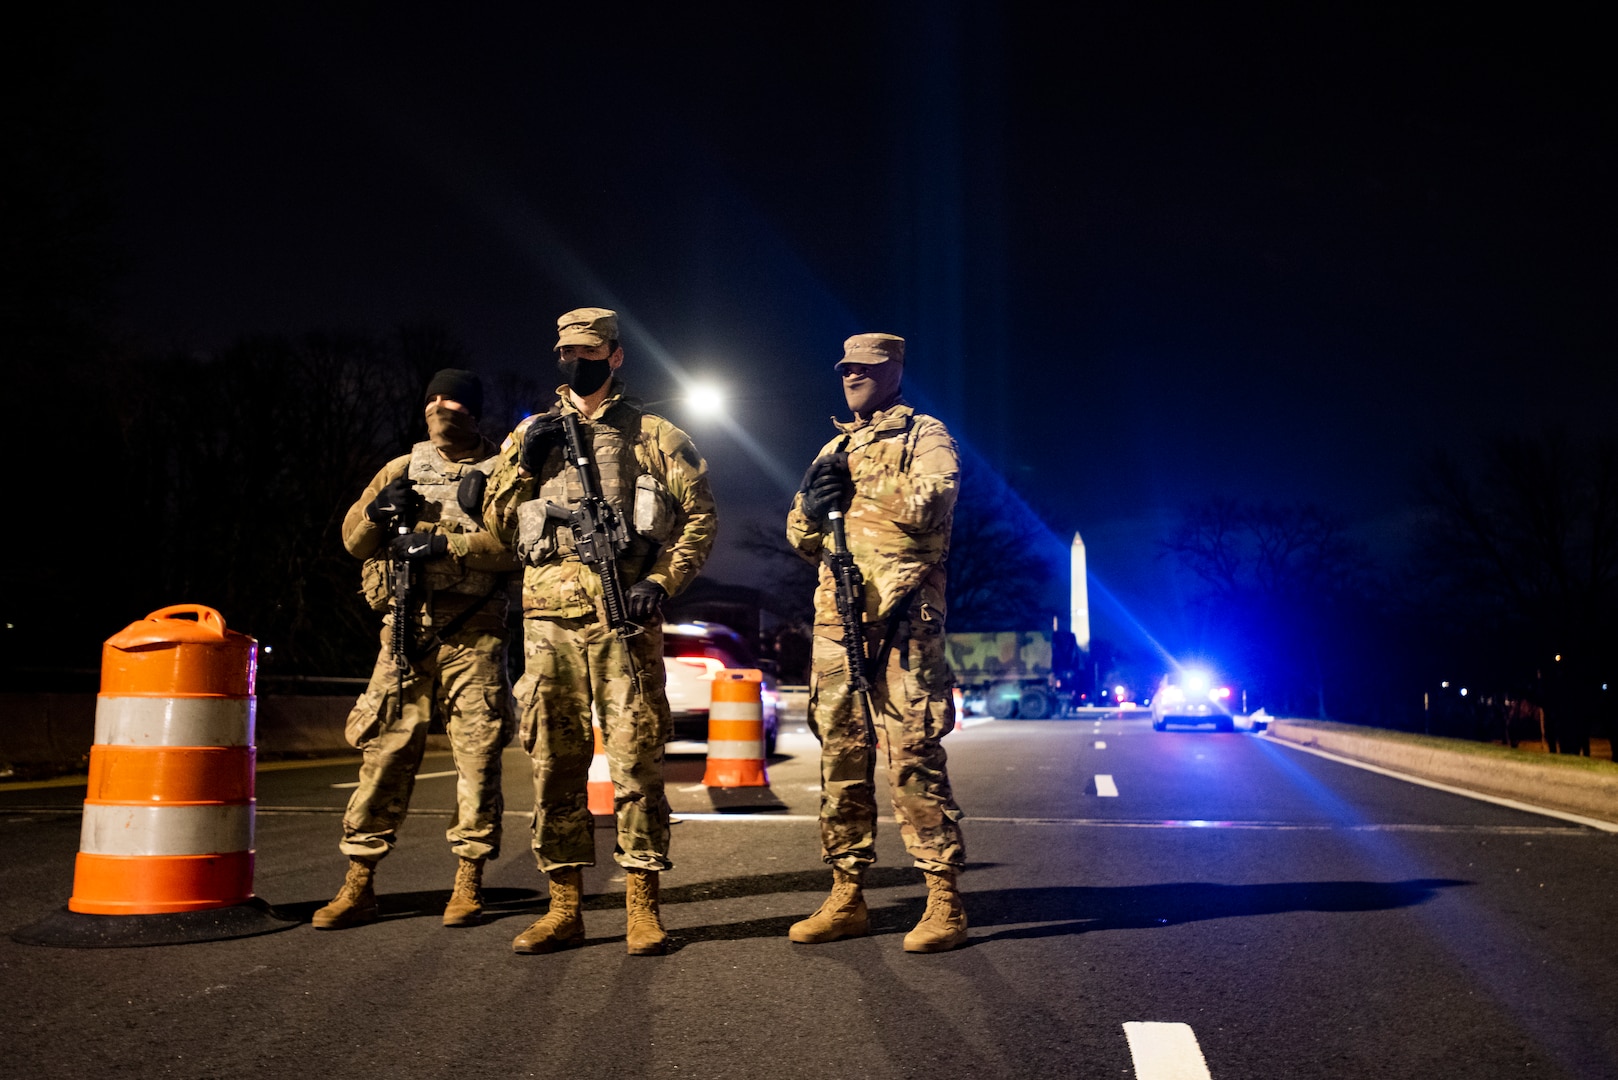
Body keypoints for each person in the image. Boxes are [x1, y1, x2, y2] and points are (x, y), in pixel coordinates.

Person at [483, 307, 717, 956]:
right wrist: (522, 467)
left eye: (588, 351)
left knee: (637, 761)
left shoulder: (655, 435)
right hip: (546, 625)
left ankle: (643, 908)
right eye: (564, 352)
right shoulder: (530, 434)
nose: (575, 362)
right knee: (552, 764)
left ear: (615, 356)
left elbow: (700, 517)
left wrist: (662, 582)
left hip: (624, 623)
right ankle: (565, 909)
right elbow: (497, 526)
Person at [313, 368, 518, 931]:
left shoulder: (503, 470)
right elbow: (354, 542)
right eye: (430, 398)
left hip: (474, 632)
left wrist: (447, 543)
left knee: (476, 760)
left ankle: (468, 882)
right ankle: (359, 884)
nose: (438, 407)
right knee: (383, 754)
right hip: (405, 628)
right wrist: (378, 511)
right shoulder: (401, 468)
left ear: (473, 409)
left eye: (450, 399)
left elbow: (517, 546)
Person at [785, 332, 968, 953]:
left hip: (906, 618)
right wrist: (814, 503)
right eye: (845, 368)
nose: (852, 376)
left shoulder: (924, 436)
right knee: (840, 756)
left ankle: (943, 899)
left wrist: (858, 482)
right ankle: (847, 894)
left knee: (913, 752)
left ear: (894, 371)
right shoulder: (832, 446)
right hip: (839, 620)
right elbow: (798, 532)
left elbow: (933, 502)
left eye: (866, 367)